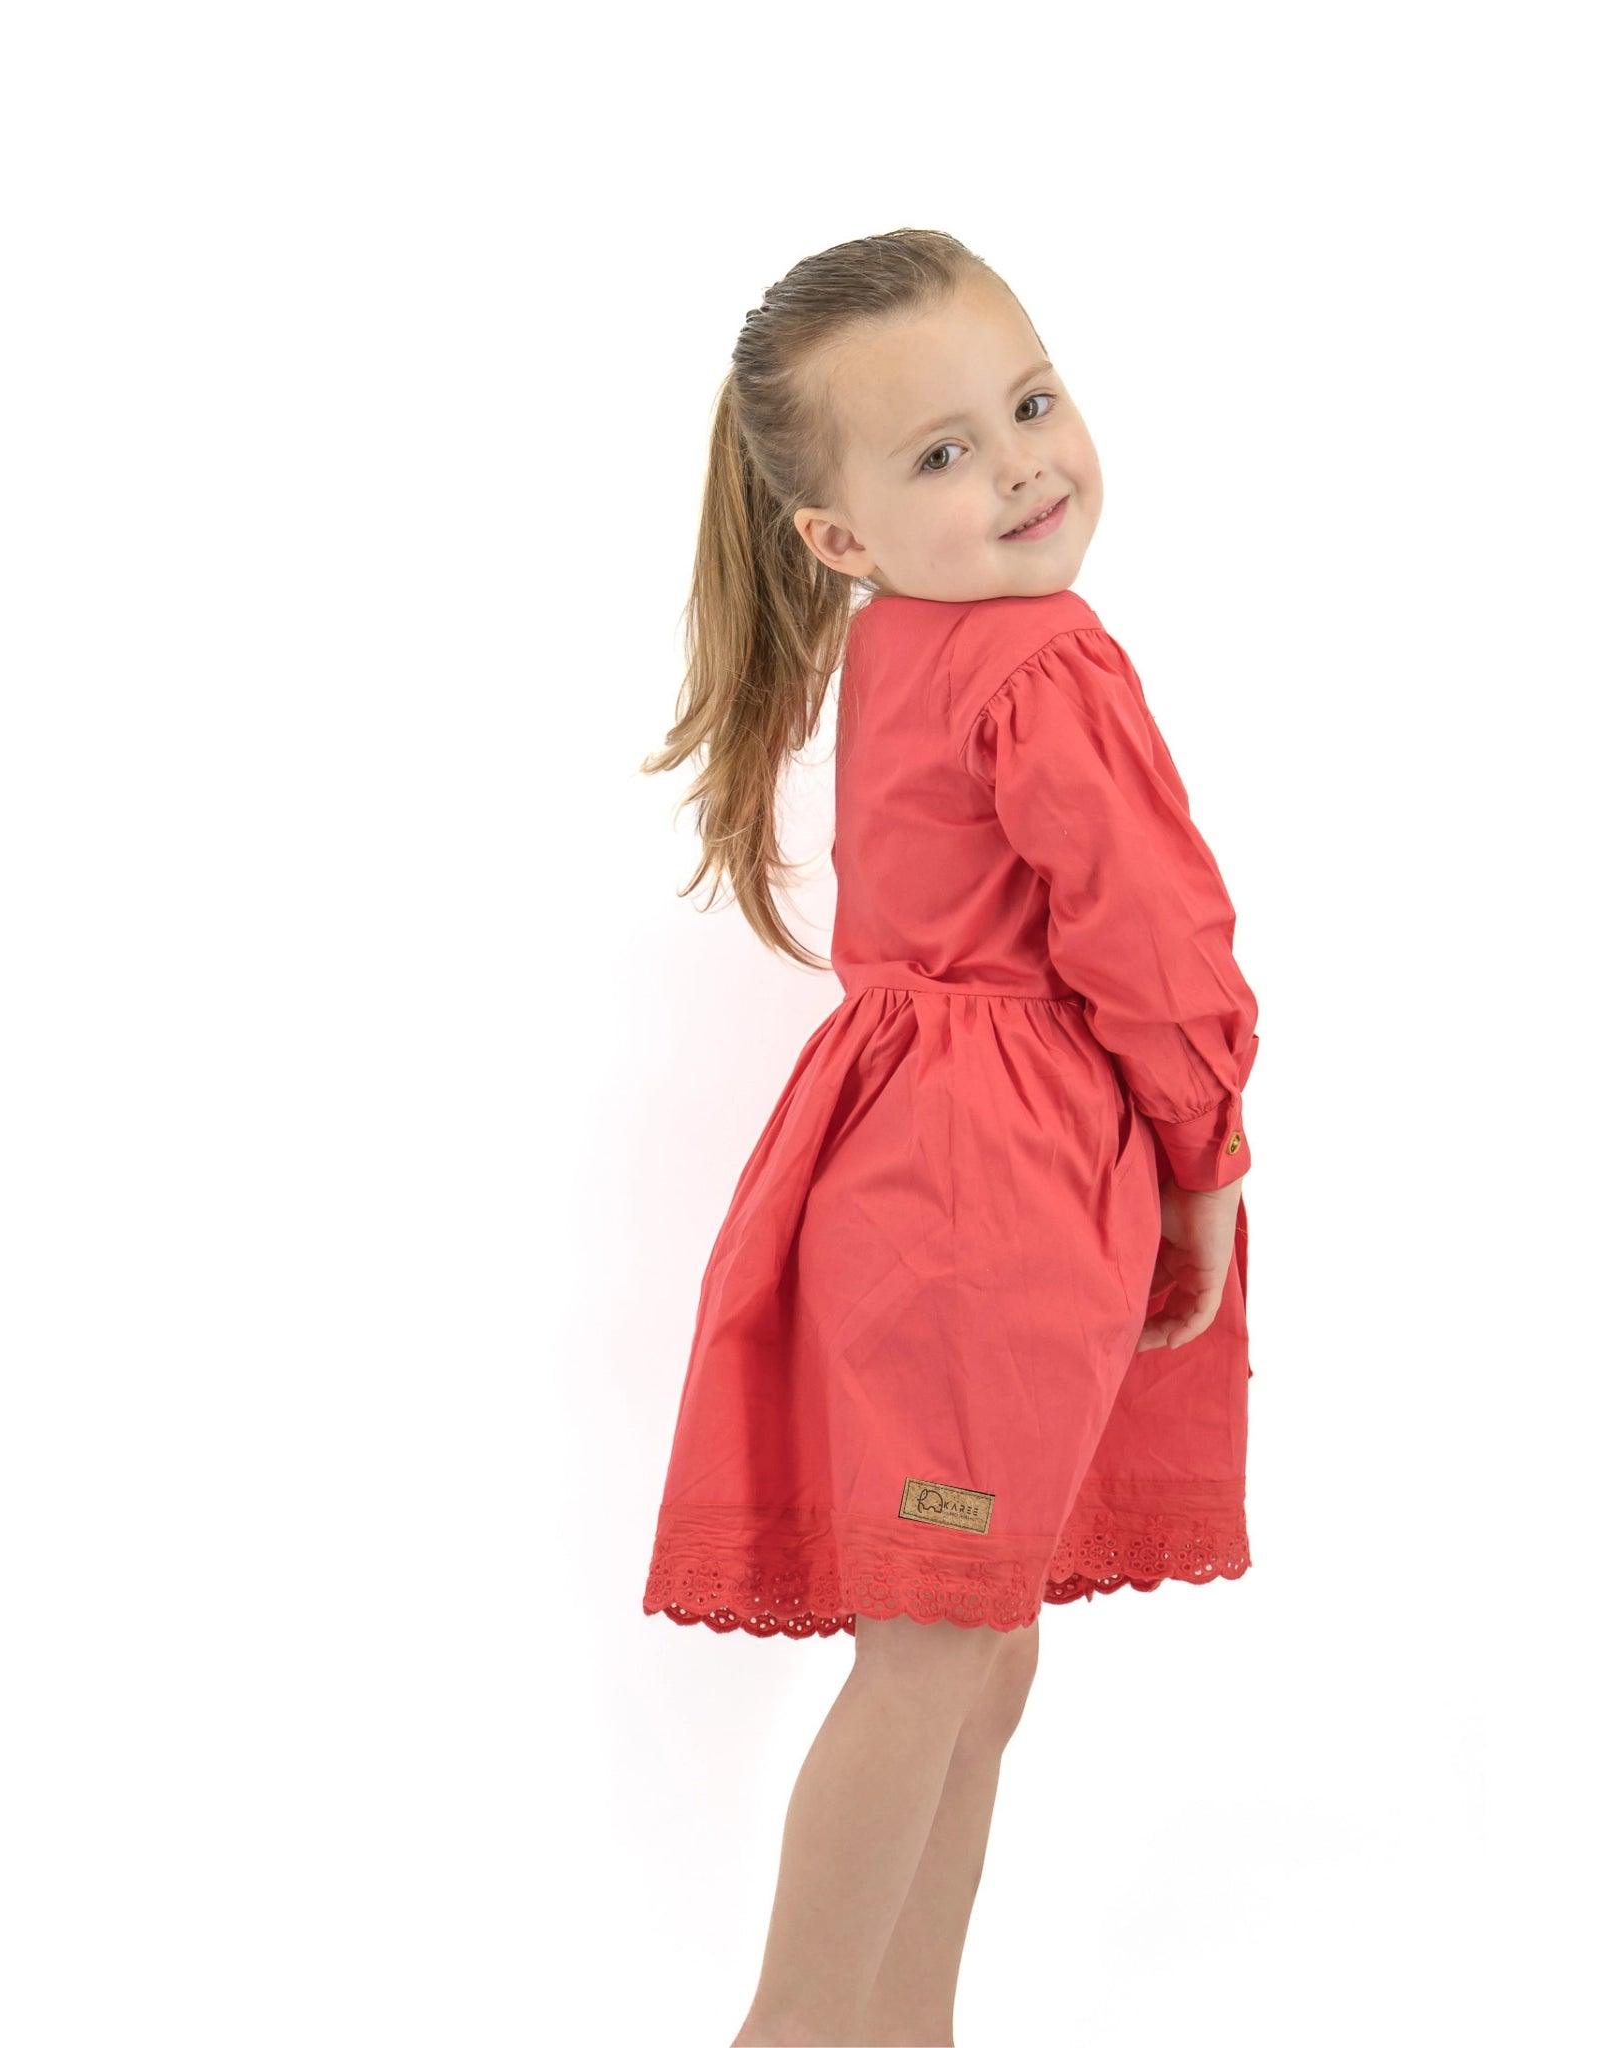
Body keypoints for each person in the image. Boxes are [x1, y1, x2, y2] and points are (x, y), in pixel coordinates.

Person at [638, 228, 1262, 2048]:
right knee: (932, 1651)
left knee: (980, 1643)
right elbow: (1153, 936)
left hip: (917, 1163)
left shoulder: (914, 638)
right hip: (983, 1193)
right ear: (837, 538)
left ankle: (904, 2027)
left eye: (1030, 402)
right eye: (941, 454)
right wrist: (1206, 1155)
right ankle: (802, 2029)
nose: (1018, 464)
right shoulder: (1042, 658)